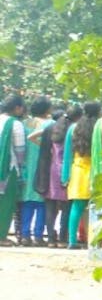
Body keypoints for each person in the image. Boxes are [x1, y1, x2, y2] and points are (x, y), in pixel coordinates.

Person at [62, 101, 102, 250]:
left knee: (77, 206)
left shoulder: (74, 128)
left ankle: (72, 241)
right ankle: (95, 240)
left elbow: (67, 154)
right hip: (95, 169)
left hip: (78, 169)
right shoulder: (99, 127)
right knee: (97, 207)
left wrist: (65, 176)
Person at [18, 97, 53, 246]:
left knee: (27, 202)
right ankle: (38, 236)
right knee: (41, 202)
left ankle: (25, 235)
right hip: (44, 168)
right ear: (47, 110)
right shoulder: (50, 124)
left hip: (26, 167)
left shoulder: (24, 124)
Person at [39, 106, 76, 248]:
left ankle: (50, 240)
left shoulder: (51, 129)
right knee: (67, 207)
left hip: (52, 169)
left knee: (50, 206)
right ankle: (62, 239)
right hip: (68, 169)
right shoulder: (73, 130)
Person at [0, 95, 28, 247]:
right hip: (7, 169)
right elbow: (20, 149)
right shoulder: (15, 124)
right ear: (17, 108)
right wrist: (22, 166)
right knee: (5, 203)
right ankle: (1, 236)